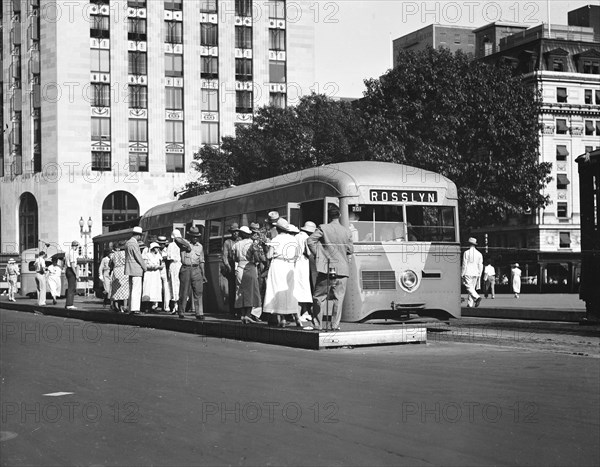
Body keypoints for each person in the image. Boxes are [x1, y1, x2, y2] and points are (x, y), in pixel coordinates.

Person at [307, 205, 354, 331]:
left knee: (319, 296)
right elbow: (350, 249)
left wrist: (319, 255)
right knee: (339, 298)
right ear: (339, 215)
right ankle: (335, 325)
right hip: (342, 269)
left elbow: (310, 240)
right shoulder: (347, 231)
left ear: (328, 215)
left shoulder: (323, 228)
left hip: (326, 267)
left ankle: (318, 324)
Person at [263, 218, 300, 327]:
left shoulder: (276, 239)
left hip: (277, 265)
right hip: (289, 266)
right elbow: (297, 255)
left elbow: (269, 255)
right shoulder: (293, 239)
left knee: (277, 290)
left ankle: (282, 319)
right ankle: (296, 317)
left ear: (278, 228)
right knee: (289, 291)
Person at [175, 226, 207, 320]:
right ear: (190, 236)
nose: (195, 238)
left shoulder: (200, 246)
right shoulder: (184, 244)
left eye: (197, 236)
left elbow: (201, 261)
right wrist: (188, 246)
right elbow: (177, 239)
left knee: (198, 291)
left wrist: (203, 274)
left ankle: (199, 312)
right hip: (186, 268)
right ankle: (181, 311)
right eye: (193, 236)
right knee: (184, 291)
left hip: (196, 269)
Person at [232, 226, 262, 324]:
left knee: (240, 291)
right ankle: (248, 314)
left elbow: (234, 258)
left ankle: (242, 315)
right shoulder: (252, 244)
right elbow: (257, 258)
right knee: (251, 291)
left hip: (239, 268)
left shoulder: (236, 244)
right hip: (250, 267)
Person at [296, 221, 317, 323]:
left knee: (298, 288)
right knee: (304, 288)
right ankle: (302, 313)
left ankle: (302, 312)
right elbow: (308, 252)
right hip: (303, 263)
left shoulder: (296, 236)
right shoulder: (306, 238)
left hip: (296, 263)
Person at [124, 226, 147, 315]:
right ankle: (135, 309)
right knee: (136, 289)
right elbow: (138, 257)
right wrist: (144, 267)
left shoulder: (127, 243)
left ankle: (131, 308)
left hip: (129, 268)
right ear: (138, 235)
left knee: (131, 289)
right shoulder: (134, 244)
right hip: (136, 269)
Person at [222, 223, 240, 317]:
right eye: (233, 232)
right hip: (232, 265)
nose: (235, 233)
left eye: (236, 231)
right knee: (232, 289)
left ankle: (239, 309)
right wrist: (228, 266)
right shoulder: (227, 242)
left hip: (240, 265)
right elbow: (224, 256)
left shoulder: (241, 241)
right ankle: (232, 310)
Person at [461, 237, 483, 308]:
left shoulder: (466, 252)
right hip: (476, 272)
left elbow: (464, 264)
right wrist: (480, 273)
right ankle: (470, 304)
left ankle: (477, 297)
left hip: (468, 272)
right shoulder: (479, 254)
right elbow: (480, 265)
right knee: (472, 288)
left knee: (468, 287)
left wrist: (462, 273)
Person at [142, 242, 164, 311]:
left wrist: (159, 267)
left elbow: (161, 265)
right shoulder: (147, 255)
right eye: (156, 247)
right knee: (148, 288)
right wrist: (152, 266)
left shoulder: (159, 256)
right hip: (149, 274)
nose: (157, 249)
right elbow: (145, 265)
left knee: (155, 289)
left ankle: (153, 305)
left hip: (156, 275)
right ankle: (146, 306)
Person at [109, 241, 129, 312]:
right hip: (124, 270)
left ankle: (117, 306)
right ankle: (125, 306)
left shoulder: (113, 254)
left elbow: (110, 264)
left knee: (116, 289)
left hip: (116, 271)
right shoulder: (126, 253)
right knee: (125, 289)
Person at [167, 229, 182, 314]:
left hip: (174, 265)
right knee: (179, 284)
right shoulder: (181, 244)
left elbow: (169, 257)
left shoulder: (171, 245)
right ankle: (178, 306)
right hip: (179, 264)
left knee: (173, 284)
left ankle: (175, 306)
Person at [156, 235, 171, 312]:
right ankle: (155, 305)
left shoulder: (168, 250)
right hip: (157, 270)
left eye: (163, 244)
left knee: (166, 288)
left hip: (165, 269)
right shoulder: (155, 250)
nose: (161, 245)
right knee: (157, 287)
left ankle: (166, 306)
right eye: (160, 243)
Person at [64, 241, 79, 310]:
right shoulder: (73, 253)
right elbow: (72, 264)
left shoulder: (67, 252)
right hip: (71, 270)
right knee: (72, 288)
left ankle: (68, 303)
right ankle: (69, 304)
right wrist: (76, 274)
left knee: (70, 287)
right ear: (75, 246)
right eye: (77, 246)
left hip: (67, 269)